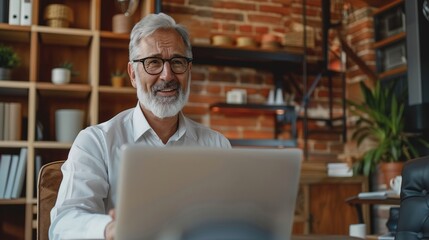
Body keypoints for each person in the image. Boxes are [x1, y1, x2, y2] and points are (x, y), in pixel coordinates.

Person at [49, 13, 231, 240]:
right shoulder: (96, 141)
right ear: (133, 74)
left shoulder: (217, 145)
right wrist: (109, 229)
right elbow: (63, 224)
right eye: (153, 62)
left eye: (177, 62)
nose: (167, 75)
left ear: (189, 71)